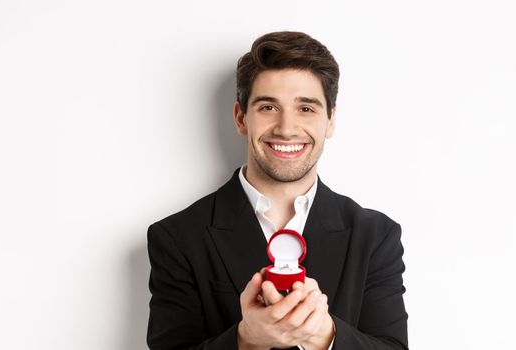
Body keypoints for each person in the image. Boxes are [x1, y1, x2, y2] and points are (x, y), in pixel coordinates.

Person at [146, 31, 408, 349]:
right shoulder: (178, 237)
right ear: (241, 118)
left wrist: (325, 335)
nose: (286, 128)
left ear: (330, 121)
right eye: (269, 107)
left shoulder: (375, 236)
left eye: (306, 109)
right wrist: (246, 341)